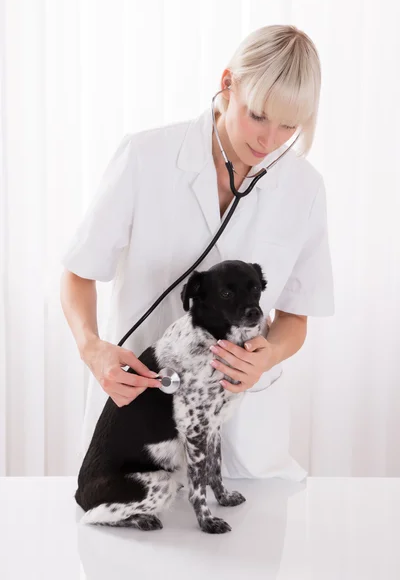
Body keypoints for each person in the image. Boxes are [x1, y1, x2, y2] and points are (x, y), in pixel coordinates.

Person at [60, 24, 334, 482]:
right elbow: (77, 272)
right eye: (258, 115)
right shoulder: (145, 157)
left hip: (246, 444)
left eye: (289, 125)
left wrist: (265, 356)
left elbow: (295, 318)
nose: (269, 140)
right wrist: (92, 350)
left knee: (251, 545)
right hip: (143, 419)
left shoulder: (305, 189)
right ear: (228, 84)